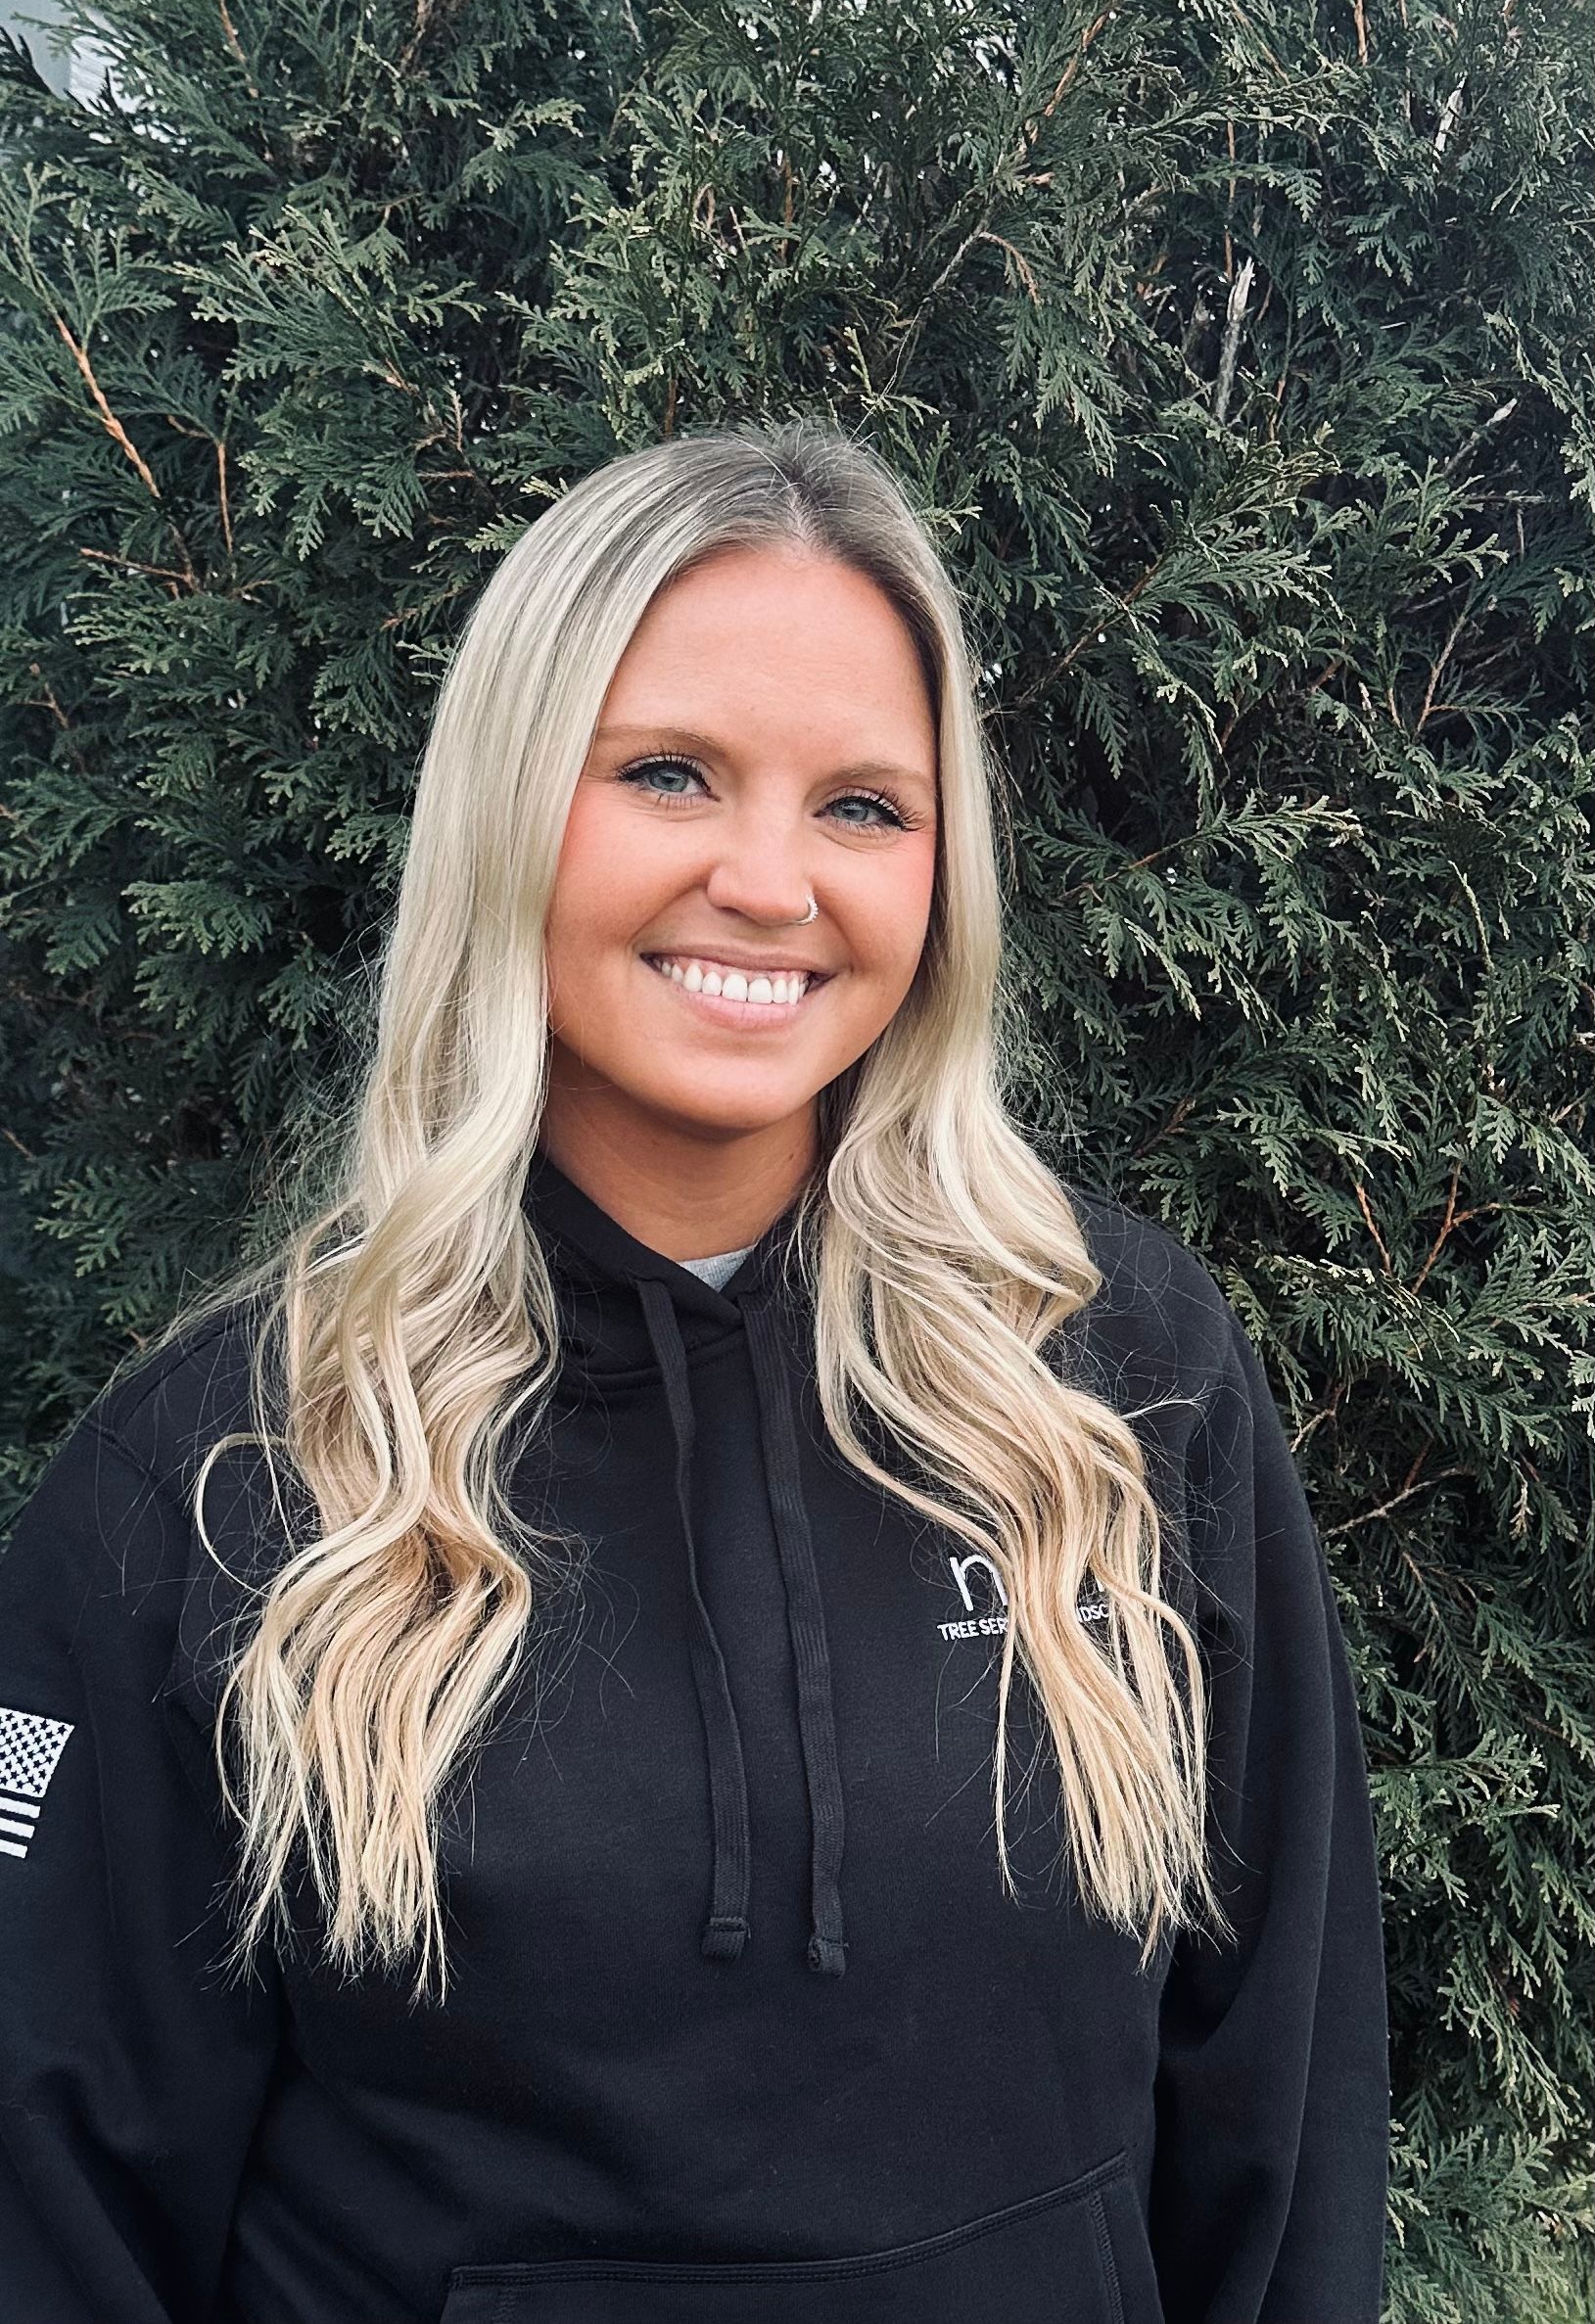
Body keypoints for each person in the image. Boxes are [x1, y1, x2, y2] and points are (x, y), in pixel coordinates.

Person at [0, 416, 1389, 2322]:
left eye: (860, 805)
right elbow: (49, 2214)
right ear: (511, 811)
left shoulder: (1121, 1385)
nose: (767, 878)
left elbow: (1279, 2118)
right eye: (667, 772)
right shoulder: (221, 1481)